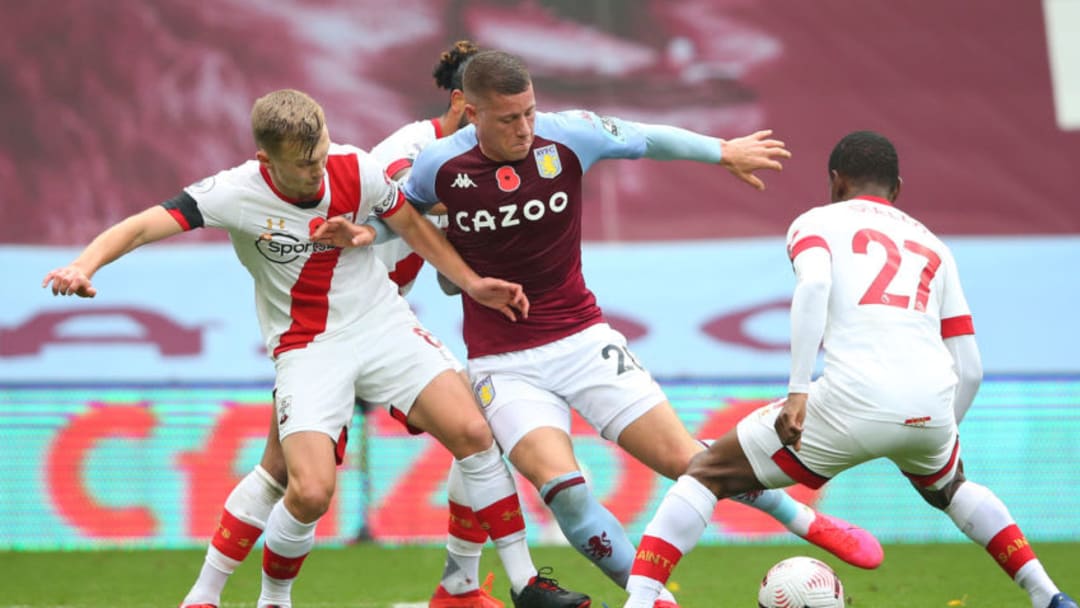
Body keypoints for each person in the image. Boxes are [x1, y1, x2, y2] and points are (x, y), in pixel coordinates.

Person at [40, 88, 582, 608]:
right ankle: (266, 599)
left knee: (474, 431)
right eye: (304, 164)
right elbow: (139, 227)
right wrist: (83, 265)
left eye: (321, 153)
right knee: (309, 490)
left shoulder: (354, 167)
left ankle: (524, 583)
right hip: (308, 348)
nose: (318, 169)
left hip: (382, 324)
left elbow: (409, 225)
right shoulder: (232, 192)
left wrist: (469, 282)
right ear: (265, 160)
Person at [386, 50, 883, 607]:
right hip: (503, 364)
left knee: (689, 463)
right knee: (565, 493)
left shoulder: (568, 135)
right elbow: (400, 216)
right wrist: (435, 264)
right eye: (508, 119)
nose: (525, 128)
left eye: (528, 112)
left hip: (583, 340)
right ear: (472, 114)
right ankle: (655, 601)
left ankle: (803, 520)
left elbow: (645, 136)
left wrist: (723, 152)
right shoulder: (437, 165)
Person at [620, 131, 1078, 608]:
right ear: (896, 188)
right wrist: (941, 430)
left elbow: (814, 286)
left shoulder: (816, 222)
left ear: (835, 181)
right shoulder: (934, 247)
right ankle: (1048, 595)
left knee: (707, 472)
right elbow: (971, 367)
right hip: (930, 406)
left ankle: (641, 599)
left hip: (850, 399)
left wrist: (798, 391)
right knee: (952, 488)